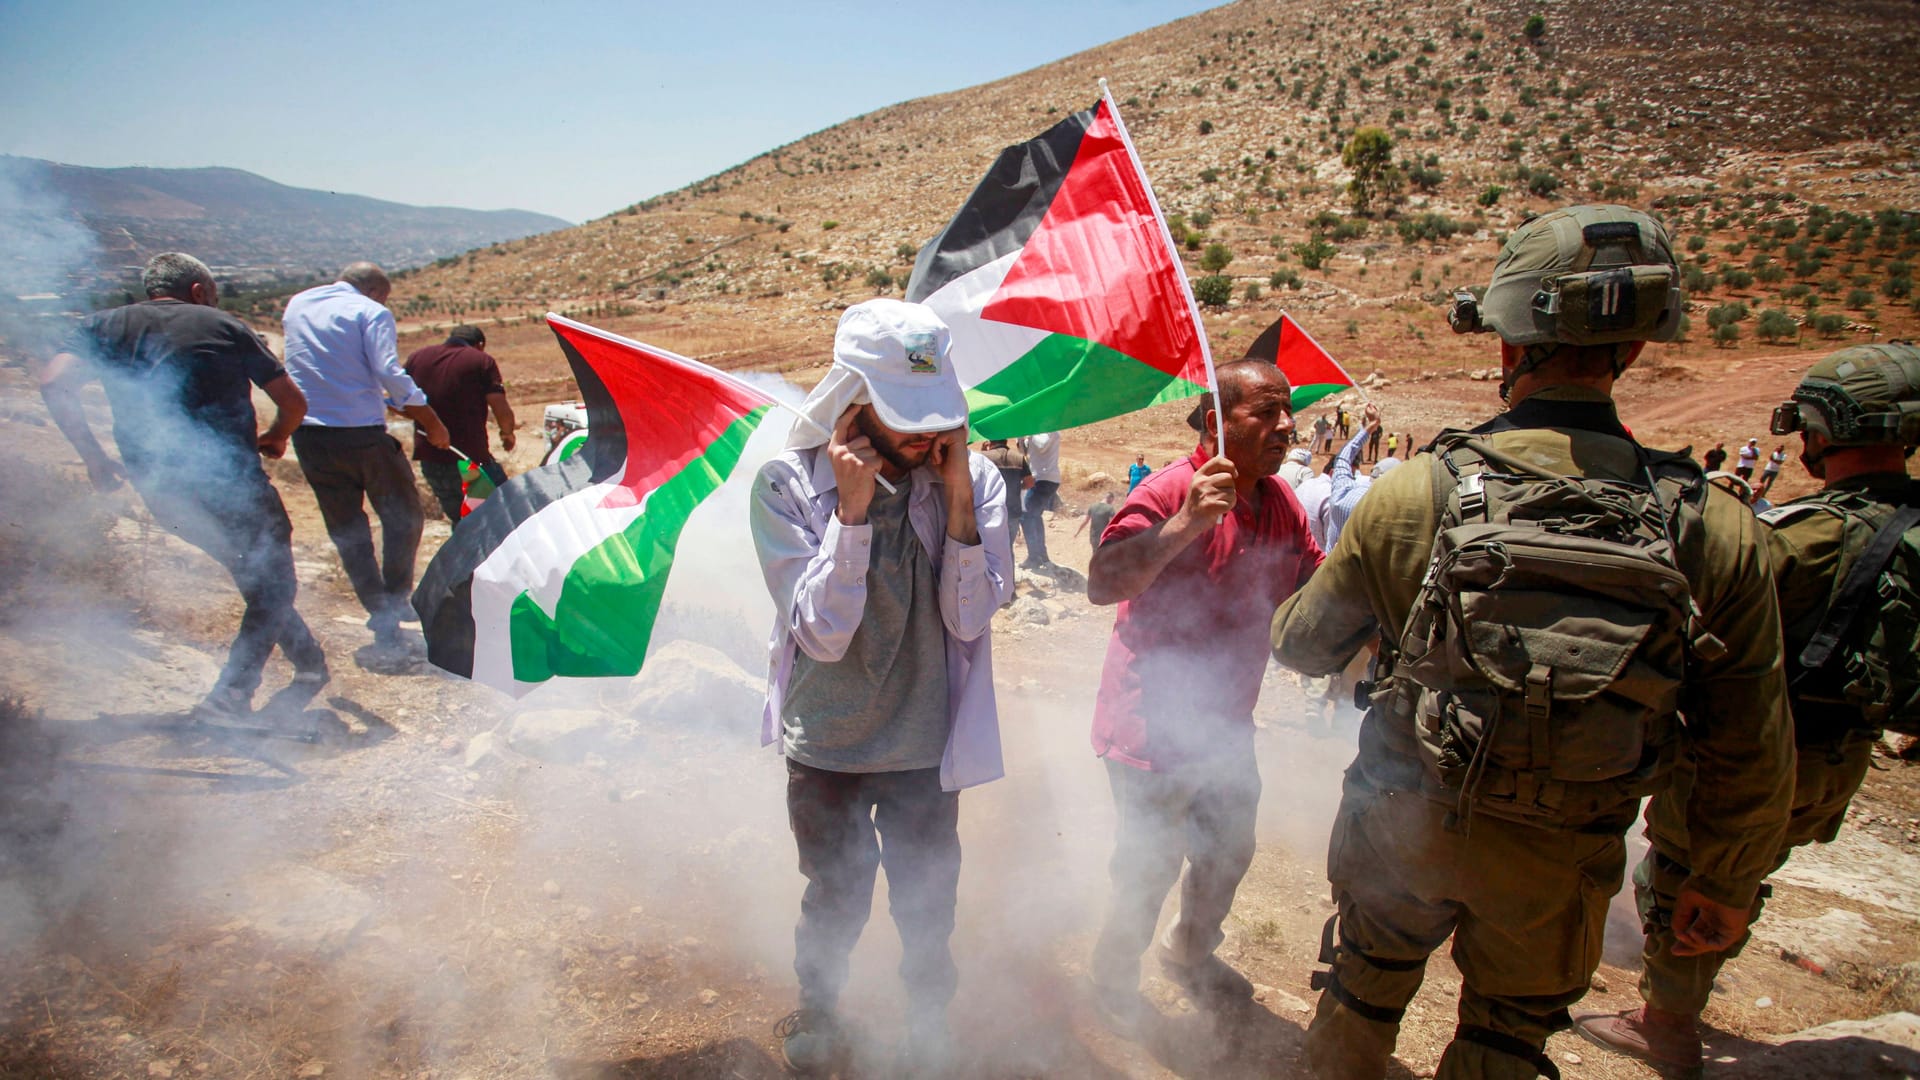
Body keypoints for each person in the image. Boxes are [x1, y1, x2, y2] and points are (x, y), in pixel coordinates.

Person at [1272, 205, 1792, 1080]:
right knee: (1507, 1040)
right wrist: (1722, 881)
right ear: (1633, 350)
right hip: (1562, 858)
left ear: (1507, 343)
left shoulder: (1416, 493)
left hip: (1404, 826)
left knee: (1360, 1001)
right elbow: (1750, 744)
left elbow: (1302, 648)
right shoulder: (1713, 527)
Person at [1575, 343, 1920, 1076]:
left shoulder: (1812, 534)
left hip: (1753, 744)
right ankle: (1678, 995)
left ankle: (1663, 1021)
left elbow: (1710, 619)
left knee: (1682, 870)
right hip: (1840, 753)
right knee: (1744, 870)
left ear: (1824, 430)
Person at [750, 299, 1013, 1074]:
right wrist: (855, 514)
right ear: (851, 400)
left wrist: (959, 493)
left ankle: (927, 1020)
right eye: (907, 421)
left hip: (923, 743)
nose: (926, 440)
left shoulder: (972, 477)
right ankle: (820, 1010)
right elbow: (822, 633)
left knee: (927, 903)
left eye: (938, 420)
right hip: (827, 743)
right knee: (834, 893)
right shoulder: (787, 485)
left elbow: (969, 619)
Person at [1085, 359, 1323, 1026]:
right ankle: (1111, 973)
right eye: (1266, 413)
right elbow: (1103, 581)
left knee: (1229, 850)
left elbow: (1314, 583)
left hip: (1225, 726)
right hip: (1149, 727)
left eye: (1288, 412)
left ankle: (1188, 950)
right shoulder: (1169, 490)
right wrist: (1185, 524)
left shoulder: (1278, 500)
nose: (1287, 426)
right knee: (1149, 864)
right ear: (1218, 422)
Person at [38, 252, 328, 718]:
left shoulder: (102, 326)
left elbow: (54, 383)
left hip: (160, 487)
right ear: (199, 291)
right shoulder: (223, 325)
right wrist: (276, 437)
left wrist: (94, 459)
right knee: (273, 585)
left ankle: (310, 662)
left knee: (257, 580)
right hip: (230, 484)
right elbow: (292, 400)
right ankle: (232, 695)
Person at [282, 262, 449, 649]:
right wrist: (430, 420)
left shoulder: (299, 304)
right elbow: (388, 370)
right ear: (376, 291)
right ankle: (394, 597)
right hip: (360, 435)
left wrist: (380, 399)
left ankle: (378, 607)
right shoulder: (370, 311)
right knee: (404, 516)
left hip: (309, 436)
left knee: (347, 528)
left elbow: (327, 367)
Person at [404, 324, 515, 521]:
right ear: (480, 344)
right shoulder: (481, 360)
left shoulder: (417, 358)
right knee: (504, 513)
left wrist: (429, 423)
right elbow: (499, 405)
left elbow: (399, 401)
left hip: (430, 460)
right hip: (470, 460)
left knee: (461, 520)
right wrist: (507, 433)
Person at [1321, 402, 1383, 549]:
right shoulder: (1380, 510)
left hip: (1329, 569)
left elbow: (1343, 457)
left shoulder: (1341, 493)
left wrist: (1372, 424)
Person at [1016, 430, 1061, 569]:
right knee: (1035, 516)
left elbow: (1042, 445)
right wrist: (1020, 435)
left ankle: (1034, 556)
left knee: (1026, 516)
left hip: (1044, 478)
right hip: (1041, 478)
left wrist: (1029, 430)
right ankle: (1041, 554)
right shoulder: (1037, 433)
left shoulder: (1052, 431)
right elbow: (1023, 450)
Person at [977, 438, 1028, 549]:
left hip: (990, 512)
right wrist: (1018, 487)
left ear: (990, 442)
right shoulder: (1018, 458)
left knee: (990, 549)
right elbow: (1030, 482)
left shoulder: (984, 457)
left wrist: (983, 451)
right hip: (1013, 511)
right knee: (1007, 548)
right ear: (1005, 441)